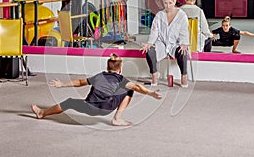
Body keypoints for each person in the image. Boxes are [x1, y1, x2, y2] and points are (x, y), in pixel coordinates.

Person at [31, 54, 162, 126]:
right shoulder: (121, 79)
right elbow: (137, 87)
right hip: (106, 108)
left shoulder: (99, 76)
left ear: (107, 67)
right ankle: (117, 118)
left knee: (69, 102)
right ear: (120, 69)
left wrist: (62, 84)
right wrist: (151, 93)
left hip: (88, 107)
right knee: (129, 90)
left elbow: (80, 82)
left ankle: (42, 113)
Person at [140, 0, 190, 88]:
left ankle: (184, 76)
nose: (168, 6)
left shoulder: (182, 15)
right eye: (165, 3)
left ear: (174, 2)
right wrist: (150, 43)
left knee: (183, 51)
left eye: (170, 3)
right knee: (149, 50)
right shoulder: (159, 15)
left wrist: (184, 43)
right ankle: (154, 73)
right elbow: (154, 31)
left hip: (175, 44)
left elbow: (184, 31)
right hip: (161, 43)